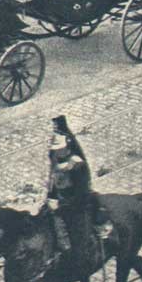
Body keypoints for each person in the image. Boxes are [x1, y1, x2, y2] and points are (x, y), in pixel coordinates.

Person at [45, 115, 111, 269]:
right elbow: (54, 181)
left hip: (78, 204)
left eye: (58, 150)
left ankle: (80, 264)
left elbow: (81, 193)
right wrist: (51, 197)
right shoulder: (55, 160)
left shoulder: (77, 165)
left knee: (78, 237)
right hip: (59, 200)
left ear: (66, 148)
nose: (56, 153)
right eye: (54, 150)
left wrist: (60, 204)